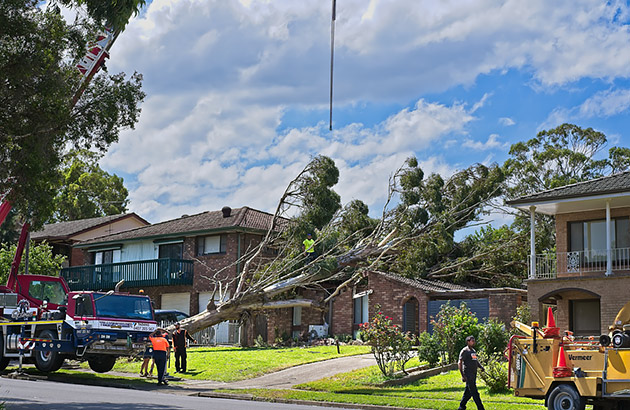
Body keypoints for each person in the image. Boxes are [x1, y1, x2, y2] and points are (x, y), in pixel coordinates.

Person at [458, 335, 485, 410]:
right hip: (468, 374)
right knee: (474, 392)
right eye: (472, 341)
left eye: (474, 341)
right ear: (468, 342)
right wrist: (463, 375)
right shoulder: (464, 351)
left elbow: (475, 361)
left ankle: (461, 406)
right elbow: (460, 363)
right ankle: (481, 408)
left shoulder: (473, 351)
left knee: (468, 392)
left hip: (473, 374)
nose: (474, 342)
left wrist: (481, 367)